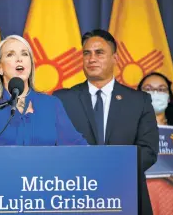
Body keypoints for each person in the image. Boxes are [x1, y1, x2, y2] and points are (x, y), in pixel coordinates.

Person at [52, 29, 159, 215]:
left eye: (99, 53)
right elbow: (53, 147)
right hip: (76, 195)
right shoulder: (62, 99)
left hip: (126, 195)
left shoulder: (139, 101)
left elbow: (148, 150)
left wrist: (108, 170)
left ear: (115, 59)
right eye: (87, 53)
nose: (92, 58)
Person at [137, 72, 173, 215]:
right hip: (141, 197)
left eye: (161, 89)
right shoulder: (126, 129)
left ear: (169, 98)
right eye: (148, 89)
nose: (155, 93)